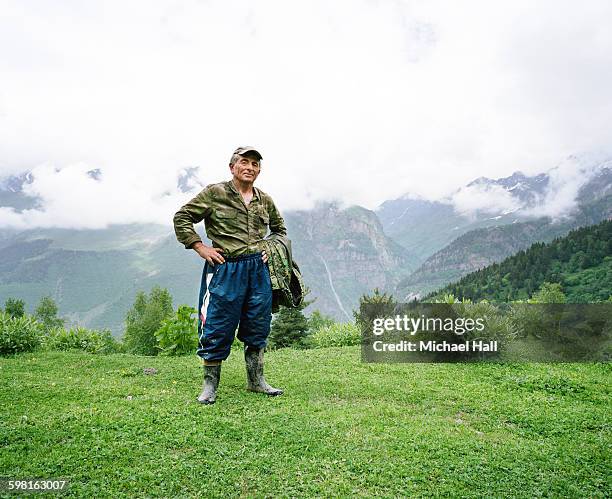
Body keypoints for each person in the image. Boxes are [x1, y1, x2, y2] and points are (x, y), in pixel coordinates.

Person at [173, 146, 286, 404]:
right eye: (244, 162)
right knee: (217, 324)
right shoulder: (216, 193)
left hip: (258, 270)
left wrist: (269, 247)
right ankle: (210, 387)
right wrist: (199, 246)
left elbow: (279, 230)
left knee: (257, 323)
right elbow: (183, 217)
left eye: (255, 164)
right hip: (225, 268)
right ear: (232, 167)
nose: (250, 167)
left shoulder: (264, 200)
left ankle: (256, 381)